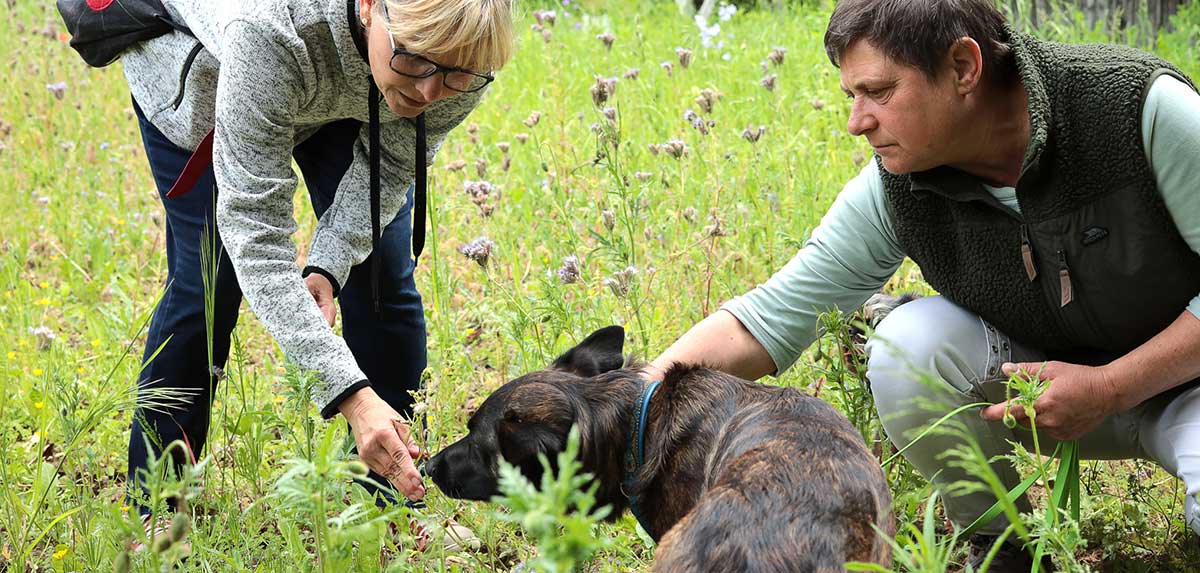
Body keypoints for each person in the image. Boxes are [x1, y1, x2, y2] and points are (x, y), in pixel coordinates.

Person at [642, 0, 1200, 568]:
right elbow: (770, 318)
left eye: (879, 93)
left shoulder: (1137, 111)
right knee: (907, 344)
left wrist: (1109, 386)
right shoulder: (899, 187)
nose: (857, 121)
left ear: (963, 67)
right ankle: (1000, 546)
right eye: (851, 96)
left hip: (1189, 388)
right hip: (1042, 399)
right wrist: (631, 402)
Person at [120, 0, 513, 528]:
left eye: (456, 74)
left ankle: (387, 497)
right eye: (417, 62)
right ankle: (158, 510)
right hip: (209, 72)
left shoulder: (458, 54)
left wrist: (328, 266)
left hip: (350, 77)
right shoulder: (270, 32)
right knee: (208, 285)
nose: (429, 92)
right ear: (372, 7)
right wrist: (349, 395)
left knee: (380, 274)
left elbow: (393, 162)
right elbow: (256, 235)